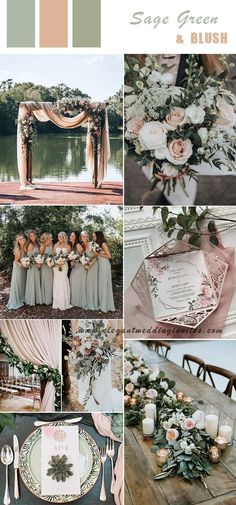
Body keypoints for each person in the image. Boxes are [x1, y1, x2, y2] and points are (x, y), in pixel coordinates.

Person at [93, 231, 115, 312]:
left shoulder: (103, 244)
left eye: (94, 236)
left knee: (104, 283)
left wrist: (98, 254)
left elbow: (109, 256)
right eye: (93, 236)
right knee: (101, 284)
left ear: (99, 236)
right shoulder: (96, 245)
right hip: (99, 264)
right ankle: (102, 303)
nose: (93, 238)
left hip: (104, 264)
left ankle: (105, 305)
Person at [7, 235, 27, 310]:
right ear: (18, 241)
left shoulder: (25, 246)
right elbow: (16, 261)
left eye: (22, 238)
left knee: (23, 282)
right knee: (18, 282)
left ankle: (23, 298)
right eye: (20, 239)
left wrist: (26, 264)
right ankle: (16, 300)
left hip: (24, 267)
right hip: (18, 267)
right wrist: (23, 264)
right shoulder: (17, 249)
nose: (22, 240)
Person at [52, 232, 71, 310]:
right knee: (57, 281)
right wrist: (57, 261)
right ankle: (57, 302)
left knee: (63, 280)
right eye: (58, 236)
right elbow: (53, 254)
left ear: (64, 237)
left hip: (64, 265)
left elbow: (69, 257)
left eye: (60, 236)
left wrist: (63, 261)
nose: (59, 238)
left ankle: (64, 302)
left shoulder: (67, 246)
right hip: (56, 266)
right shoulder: (56, 245)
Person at [80, 231, 98, 311]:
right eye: (84, 236)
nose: (86, 237)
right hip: (87, 265)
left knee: (92, 283)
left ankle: (93, 302)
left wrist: (89, 264)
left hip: (93, 265)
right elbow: (82, 257)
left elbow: (95, 256)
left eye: (87, 236)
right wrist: (84, 263)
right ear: (81, 238)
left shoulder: (92, 244)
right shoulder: (82, 246)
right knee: (88, 283)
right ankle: (88, 300)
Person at [69, 231, 87, 308]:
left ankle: (78, 301)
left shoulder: (78, 245)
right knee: (72, 281)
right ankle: (74, 300)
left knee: (76, 282)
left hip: (79, 267)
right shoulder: (71, 245)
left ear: (76, 237)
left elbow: (84, 257)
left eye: (72, 236)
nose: (70, 237)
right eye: (70, 235)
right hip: (75, 267)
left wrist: (76, 260)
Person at [25, 230, 42, 306]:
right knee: (32, 281)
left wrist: (39, 261)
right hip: (32, 266)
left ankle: (36, 299)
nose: (32, 237)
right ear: (29, 237)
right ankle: (31, 299)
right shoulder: (30, 245)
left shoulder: (37, 244)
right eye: (31, 236)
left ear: (36, 235)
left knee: (36, 281)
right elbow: (28, 257)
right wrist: (36, 262)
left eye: (33, 235)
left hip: (37, 266)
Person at [40, 232, 53, 305]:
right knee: (46, 282)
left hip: (51, 266)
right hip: (45, 267)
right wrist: (46, 261)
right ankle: (46, 299)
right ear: (46, 238)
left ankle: (51, 298)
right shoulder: (43, 246)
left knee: (51, 281)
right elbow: (40, 258)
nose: (51, 239)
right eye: (50, 237)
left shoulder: (51, 244)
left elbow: (53, 254)